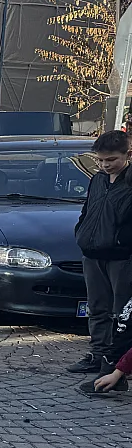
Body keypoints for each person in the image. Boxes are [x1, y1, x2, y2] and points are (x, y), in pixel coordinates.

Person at [68, 129, 132, 375]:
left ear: (127, 155)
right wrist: (81, 231)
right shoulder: (97, 179)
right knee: (97, 308)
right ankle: (98, 354)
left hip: (122, 257)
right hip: (92, 253)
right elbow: (88, 209)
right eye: (101, 160)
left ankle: (116, 362)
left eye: (111, 160)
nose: (105, 165)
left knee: (122, 312)